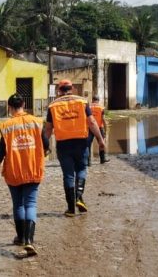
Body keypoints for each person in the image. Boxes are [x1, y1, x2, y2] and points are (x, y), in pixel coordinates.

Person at [0, 94, 47, 256]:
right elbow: (47, 144)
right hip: (33, 170)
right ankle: (29, 240)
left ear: (9, 107)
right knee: (31, 204)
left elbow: (0, 153)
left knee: (18, 205)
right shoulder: (36, 122)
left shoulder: (7, 126)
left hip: (14, 172)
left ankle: (20, 237)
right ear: (23, 104)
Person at [44, 79, 105, 217]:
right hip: (81, 143)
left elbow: (48, 129)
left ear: (59, 90)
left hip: (63, 145)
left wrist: (43, 146)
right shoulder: (82, 102)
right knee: (82, 169)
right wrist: (100, 140)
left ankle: (71, 208)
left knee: (68, 175)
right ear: (72, 88)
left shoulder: (53, 105)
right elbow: (92, 122)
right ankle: (78, 197)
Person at [88, 96, 110, 165]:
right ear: (98, 100)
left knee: (88, 144)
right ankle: (102, 159)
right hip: (99, 128)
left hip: (90, 127)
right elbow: (103, 119)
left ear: (92, 100)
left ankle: (88, 162)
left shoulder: (88, 107)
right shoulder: (101, 108)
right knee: (101, 143)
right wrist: (106, 130)